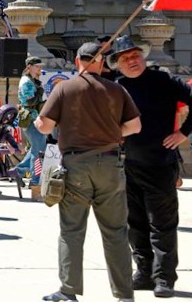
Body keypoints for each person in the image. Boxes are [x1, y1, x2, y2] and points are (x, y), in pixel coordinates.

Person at [35, 42, 140, 302]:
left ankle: (68, 291)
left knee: (71, 230)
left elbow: (44, 127)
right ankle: (125, 294)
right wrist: (113, 135)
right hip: (110, 163)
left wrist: (43, 121)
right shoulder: (117, 89)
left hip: (76, 165)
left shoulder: (65, 89)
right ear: (101, 63)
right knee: (115, 232)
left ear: (78, 61)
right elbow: (135, 126)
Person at [111, 36, 191, 298]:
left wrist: (184, 133)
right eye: (125, 58)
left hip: (160, 163)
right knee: (134, 224)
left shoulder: (164, 81)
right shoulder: (116, 87)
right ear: (118, 64)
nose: (132, 61)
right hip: (127, 164)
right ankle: (143, 273)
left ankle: (164, 278)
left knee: (162, 225)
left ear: (143, 57)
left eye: (135, 56)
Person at [15, 57, 47, 188]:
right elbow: (29, 101)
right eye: (37, 66)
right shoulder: (26, 82)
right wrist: (39, 94)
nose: (40, 68)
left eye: (40, 66)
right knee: (38, 149)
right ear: (29, 66)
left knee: (36, 147)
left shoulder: (32, 81)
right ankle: (35, 180)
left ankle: (18, 171)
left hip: (34, 118)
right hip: (29, 118)